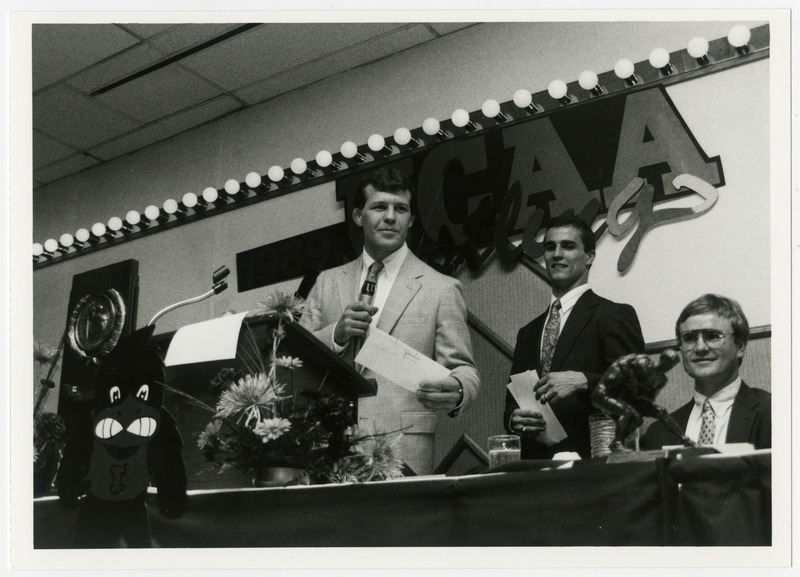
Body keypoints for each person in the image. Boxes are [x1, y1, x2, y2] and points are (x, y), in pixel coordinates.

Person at [301, 168, 480, 475]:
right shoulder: (326, 283)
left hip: (403, 450)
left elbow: (465, 370)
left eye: (401, 209)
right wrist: (336, 335)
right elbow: (295, 359)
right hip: (329, 446)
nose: (390, 217)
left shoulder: (441, 288)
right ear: (358, 216)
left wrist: (459, 390)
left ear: (411, 221)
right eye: (379, 207)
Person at [504, 215, 644, 459]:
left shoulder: (612, 314)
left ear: (589, 256)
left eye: (568, 246)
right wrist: (513, 421)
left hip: (594, 465)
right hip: (535, 468)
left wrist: (584, 381)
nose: (557, 254)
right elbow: (512, 405)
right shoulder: (528, 332)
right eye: (550, 247)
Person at [641, 294, 771, 450]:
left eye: (713, 336)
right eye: (689, 338)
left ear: (740, 346)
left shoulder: (775, 413)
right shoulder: (658, 433)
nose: (700, 347)